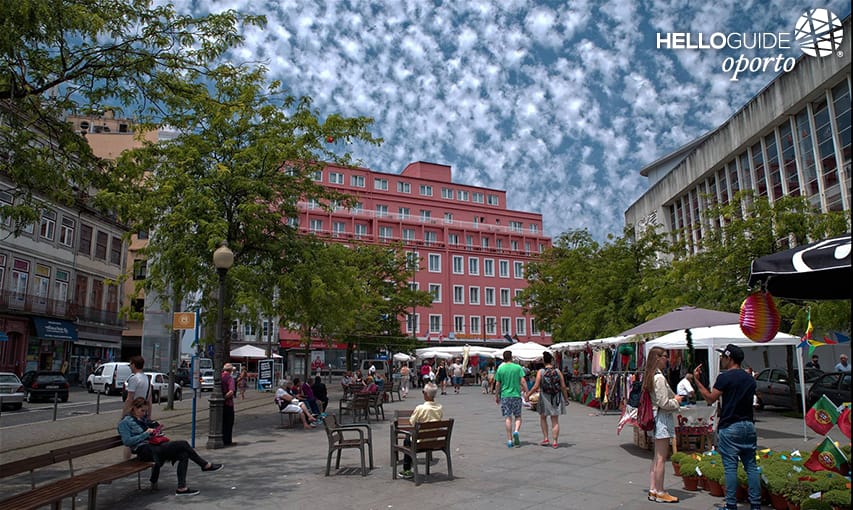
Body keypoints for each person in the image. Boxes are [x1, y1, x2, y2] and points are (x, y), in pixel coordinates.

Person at [693, 344, 761, 510]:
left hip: (730, 425)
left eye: (723, 357)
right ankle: (756, 504)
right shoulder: (749, 379)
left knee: (730, 467)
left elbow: (710, 398)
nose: (721, 360)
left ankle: (731, 504)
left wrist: (697, 381)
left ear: (729, 358)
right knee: (751, 466)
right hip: (748, 425)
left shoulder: (725, 378)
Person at [119, 397, 223, 496]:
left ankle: (182, 488)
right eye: (142, 411)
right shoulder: (125, 422)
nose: (144, 413)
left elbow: (150, 432)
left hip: (155, 447)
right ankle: (204, 465)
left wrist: (156, 431)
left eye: (145, 411)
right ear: (134, 408)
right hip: (145, 451)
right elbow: (127, 441)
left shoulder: (143, 420)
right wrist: (145, 434)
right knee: (183, 444)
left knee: (184, 454)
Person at [644, 346, 683, 504]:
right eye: (665, 356)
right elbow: (663, 402)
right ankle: (659, 491)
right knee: (661, 457)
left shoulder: (651, 376)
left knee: (656, 457)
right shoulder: (658, 378)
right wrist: (676, 401)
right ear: (657, 358)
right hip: (661, 418)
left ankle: (654, 489)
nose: (667, 359)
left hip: (657, 417)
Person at [398, 382, 443, 479]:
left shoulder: (420, 408)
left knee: (407, 439)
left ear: (426, 394)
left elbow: (411, 422)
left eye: (423, 391)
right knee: (410, 438)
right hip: (434, 441)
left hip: (419, 442)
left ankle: (407, 469)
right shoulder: (439, 408)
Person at [525, 351, 569, 448]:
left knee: (543, 417)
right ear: (552, 361)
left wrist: (528, 394)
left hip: (544, 397)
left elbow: (536, 386)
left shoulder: (541, 372)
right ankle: (555, 441)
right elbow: (563, 386)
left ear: (544, 361)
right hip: (556, 397)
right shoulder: (558, 371)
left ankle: (545, 438)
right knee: (555, 420)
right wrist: (566, 398)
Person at [494, 350, 527, 448]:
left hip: (505, 395)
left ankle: (509, 440)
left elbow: (497, 384)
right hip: (516, 395)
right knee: (518, 416)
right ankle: (516, 431)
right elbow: (523, 381)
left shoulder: (501, 369)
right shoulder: (518, 368)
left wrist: (496, 396)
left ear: (503, 358)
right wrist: (527, 392)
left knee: (508, 417)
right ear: (511, 357)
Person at [221, 363, 236, 447]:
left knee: (222, 423)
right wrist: (224, 398)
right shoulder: (230, 378)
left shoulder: (220, 376)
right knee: (229, 422)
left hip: (220, 405)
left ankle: (222, 439)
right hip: (228, 403)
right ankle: (227, 441)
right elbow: (231, 391)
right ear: (230, 371)